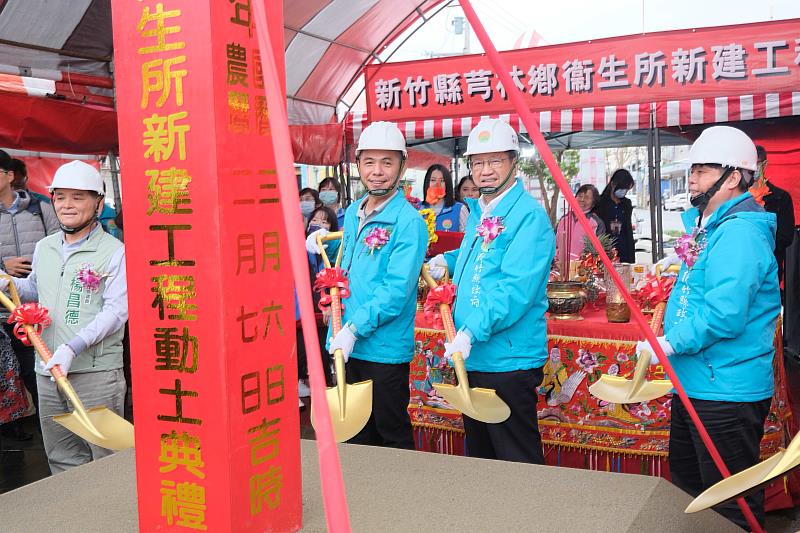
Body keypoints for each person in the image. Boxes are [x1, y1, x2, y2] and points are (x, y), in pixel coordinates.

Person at [637, 126, 780, 530]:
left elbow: (724, 314)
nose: (693, 179)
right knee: (690, 489)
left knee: (727, 501)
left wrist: (669, 341)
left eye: (702, 171)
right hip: (698, 381)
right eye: (693, 170)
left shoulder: (739, 233)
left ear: (733, 177)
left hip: (725, 388)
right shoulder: (711, 225)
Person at [427, 118, 555, 463]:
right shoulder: (482, 210)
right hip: (474, 354)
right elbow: (480, 255)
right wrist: (447, 261)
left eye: (495, 161)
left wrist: (469, 332)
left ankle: (530, 516)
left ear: (514, 162)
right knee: (483, 455)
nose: (485, 171)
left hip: (507, 359)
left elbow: (515, 291)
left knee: (515, 456)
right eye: (478, 162)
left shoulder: (529, 217)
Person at [1, 160, 128, 474]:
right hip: (47, 370)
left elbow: (116, 311)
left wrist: (72, 348)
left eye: (78, 197)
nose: (67, 205)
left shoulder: (115, 251)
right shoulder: (45, 247)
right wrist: (7, 282)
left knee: (107, 459)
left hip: (95, 373)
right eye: (60, 197)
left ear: (98, 203)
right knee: (63, 459)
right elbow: (33, 289)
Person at [308, 121, 428, 449]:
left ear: (402, 166)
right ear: (358, 164)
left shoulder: (408, 223)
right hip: (346, 343)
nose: (377, 171)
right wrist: (333, 315)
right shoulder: (354, 212)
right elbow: (347, 272)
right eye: (370, 162)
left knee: (389, 435)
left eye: (387, 162)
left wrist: (353, 328)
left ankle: (401, 499)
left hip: (382, 350)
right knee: (355, 439)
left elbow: (396, 290)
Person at [0, 151, 59, 441]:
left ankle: (50, 422)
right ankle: (11, 426)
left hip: (38, 305)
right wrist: (2, 266)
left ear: (9, 176)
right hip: (2, 304)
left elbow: (61, 243)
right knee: (8, 369)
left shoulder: (39, 207)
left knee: (37, 364)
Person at [754, 145, 795, 288]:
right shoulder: (736, 197)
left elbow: (786, 237)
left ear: (764, 165)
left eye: (756, 163)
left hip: (770, 268)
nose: (752, 168)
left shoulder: (780, 197)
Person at [554, 184, 606, 270]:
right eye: (580, 196)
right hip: (560, 269)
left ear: (593, 203)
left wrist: (583, 265)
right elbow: (554, 244)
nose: (582, 200)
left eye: (587, 197)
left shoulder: (596, 223)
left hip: (583, 272)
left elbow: (598, 251)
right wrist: (556, 260)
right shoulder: (563, 220)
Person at [595, 169, 635, 263]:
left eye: (626, 189)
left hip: (624, 251)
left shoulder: (626, 204)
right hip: (605, 252)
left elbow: (628, 230)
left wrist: (631, 258)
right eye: (622, 188)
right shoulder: (600, 203)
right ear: (612, 184)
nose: (624, 191)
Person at [420, 164, 467, 232]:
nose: (437, 184)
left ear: (448, 184)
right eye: (433, 180)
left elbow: (468, 238)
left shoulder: (460, 209)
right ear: (427, 183)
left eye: (442, 181)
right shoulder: (417, 208)